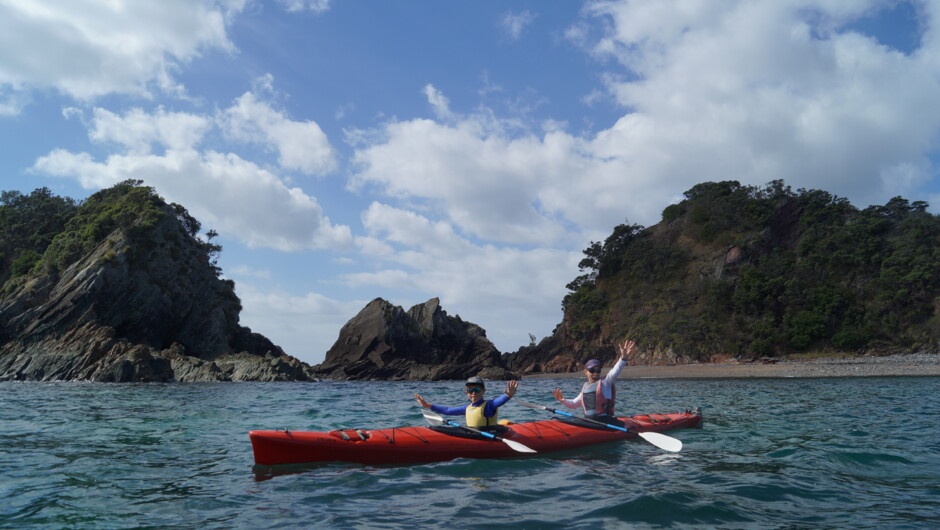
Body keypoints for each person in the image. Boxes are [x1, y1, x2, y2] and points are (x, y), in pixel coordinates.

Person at [551, 339, 635, 422]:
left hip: (605, 422)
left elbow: (615, 370)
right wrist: (562, 400)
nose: (595, 372)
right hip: (589, 421)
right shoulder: (585, 388)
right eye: (592, 370)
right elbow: (573, 404)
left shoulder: (606, 383)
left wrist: (623, 358)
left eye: (598, 370)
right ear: (585, 372)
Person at [415, 377, 518, 430]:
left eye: (477, 389)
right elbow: (447, 410)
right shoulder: (467, 408)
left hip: (487, 435)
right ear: (467, 393)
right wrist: (427, 405)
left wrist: (508, 395)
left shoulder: (488, 406)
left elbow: (498, 402)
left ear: (483, 391)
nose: (473, 393)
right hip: (472, 434)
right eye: (470, 390)